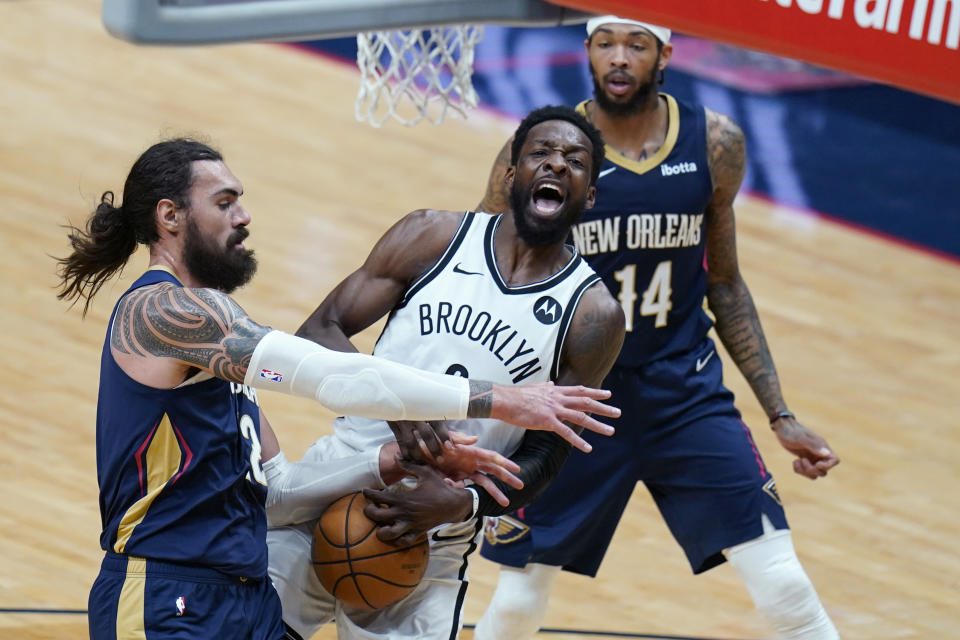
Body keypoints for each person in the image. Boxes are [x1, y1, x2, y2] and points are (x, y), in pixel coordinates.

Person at [55, 137, 621, 639]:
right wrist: (499, 398)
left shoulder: (218, 349)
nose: (245, 217)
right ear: (170, 216)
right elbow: (326, 371)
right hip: (166, 595)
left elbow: (275, 494)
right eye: (225, 203)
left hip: (239, 594)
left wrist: (389, 461)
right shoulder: (162, 311)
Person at [474, 16, 842, 640]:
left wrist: (780, 414)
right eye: (606, 44)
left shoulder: (713, 142)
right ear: (587, 51)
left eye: (636, 46)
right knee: (515, 600)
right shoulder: (544, 150)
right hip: (577, 403)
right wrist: (477, 402)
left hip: (685, 395)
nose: (620, 59)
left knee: (783, 581)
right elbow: (481, 266)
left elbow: (724, 283)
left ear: (665, 53)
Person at [263, 105, 626, 640]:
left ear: (590, 194)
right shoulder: (432, 236)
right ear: (511, 175)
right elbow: (321, 329)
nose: (555, 165)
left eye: (574, 161)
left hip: (435, 530)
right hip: (340, 479)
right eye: (541, 154)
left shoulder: (593, 313)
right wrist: (395, 408)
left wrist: (468, 501)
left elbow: (549, 453)